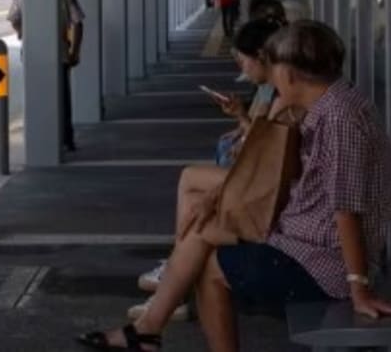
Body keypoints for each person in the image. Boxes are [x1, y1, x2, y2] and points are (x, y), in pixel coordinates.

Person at [78, 21, 391, 351]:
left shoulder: (339, 120)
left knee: (209, 267)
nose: (272, 78)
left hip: (323, 263)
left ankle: (148, 330)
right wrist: (219, 198)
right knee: (203, 226)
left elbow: (345, 209)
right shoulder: (329, 105)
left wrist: (359, 289)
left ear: (289, 73)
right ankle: (147, 330)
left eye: (274, 68)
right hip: (301, 236)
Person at [126, 17, 297, 322]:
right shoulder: (284, 97)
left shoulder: (286, 99)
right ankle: (172, 287)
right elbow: (267, 151)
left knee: (194, 192)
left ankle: (173, 283)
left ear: (263, 56)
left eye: (243, 61)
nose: (241, 69)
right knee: (194, 194)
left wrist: (358, 284)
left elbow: (271, 162)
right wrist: (243, 120)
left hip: (274, 201)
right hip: (270, 187)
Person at [7, 0, 85, 151]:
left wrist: (22, 32)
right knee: (62, 98)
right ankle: (66, 138)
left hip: (33, 55)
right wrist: (75, 52)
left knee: (35, 95)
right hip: (60, 53)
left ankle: (38, 135)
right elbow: (78, 23)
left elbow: (14, 19)